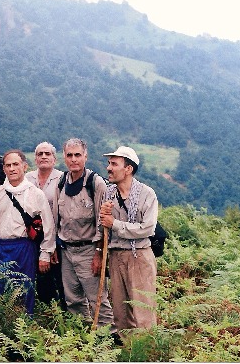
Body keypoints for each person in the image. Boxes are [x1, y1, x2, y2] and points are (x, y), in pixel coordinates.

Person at [0, 149, 55, 314]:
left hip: (24, 248)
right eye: (8, 165)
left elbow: (48, 227)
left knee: (23, 289)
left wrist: (45, 254)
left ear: (25, 166)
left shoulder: (36, 194)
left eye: (16, 164)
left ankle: (23, 327)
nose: (12, 168)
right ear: (4, 169)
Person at [56, 138, 115, 331]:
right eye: (69, 155)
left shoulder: (95, 184)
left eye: (77, 155)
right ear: (64, 157)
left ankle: (108, 338)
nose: (74, 159)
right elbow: (59, 218)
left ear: (85, 156)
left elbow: (103, 222)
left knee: (97, 297)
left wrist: (99, 253)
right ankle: (81, 336)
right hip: (67, 250)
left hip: (89, 250)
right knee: (72, 298)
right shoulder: (61, 182)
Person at [99, 146, 158, 334]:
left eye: (114, 164)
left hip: (139, 256)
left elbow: (147, 228)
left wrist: (114, 223)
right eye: (109, 163)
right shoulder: (108, 193)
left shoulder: (147, 194)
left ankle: (147, 353)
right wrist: (103, 219)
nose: (109, 168)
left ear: (128, 169)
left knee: (143, 310)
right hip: (116, 257)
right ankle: (128, 353)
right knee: (120, 311)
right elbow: (102, 228)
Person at [25, 141, 66, 310]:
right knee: (38, 277)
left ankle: (61, 314)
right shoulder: (27, 178)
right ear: (35, 159)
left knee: (57, 277)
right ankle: (43, 313)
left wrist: (53, 244)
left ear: (54, 159)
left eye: (47, 154)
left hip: (55, 236)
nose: (43, 157)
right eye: (40, 154)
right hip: (31, 236)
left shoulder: (62, 179)